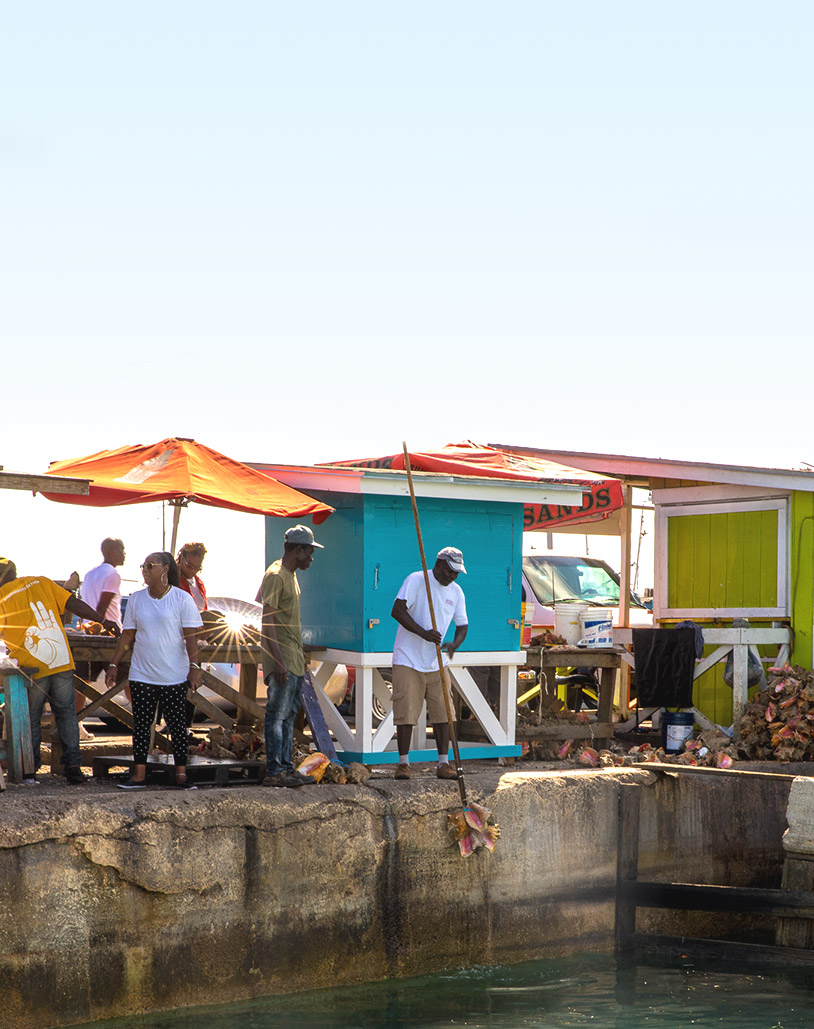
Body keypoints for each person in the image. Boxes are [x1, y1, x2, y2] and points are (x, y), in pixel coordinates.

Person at [0, 556, 120, 784]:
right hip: (61, 661)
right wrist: (102, 621)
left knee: (32, 717)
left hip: (32, 666)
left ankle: (30, 769)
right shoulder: (42, 582)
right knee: (66, 714)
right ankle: (73, 767)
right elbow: (73, 605)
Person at [105, 551, 203, 790]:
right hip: (142, 674)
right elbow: (128, 634)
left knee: (177, 726)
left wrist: (194, 667)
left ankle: (181, 776)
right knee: (142, 725)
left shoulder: (182, 599)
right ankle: (138, 776)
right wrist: (114, 664)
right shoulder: (137, 599)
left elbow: (191, 637)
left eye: (150, 565)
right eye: (143, 565)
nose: (145, 569)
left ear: (165, 570)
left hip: (174, 675)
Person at [390, 546, 469, 781]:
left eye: (456, 573)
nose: (452, 576)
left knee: (444, 713)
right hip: (408, 658)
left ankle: (443, 764)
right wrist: (424, 633)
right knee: (406, 714)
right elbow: (397, 610)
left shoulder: (456, 592)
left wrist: (454, 643)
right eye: (450, 571)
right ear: (440, 564)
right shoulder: (416, 580)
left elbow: (463, 625)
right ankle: (403, 763)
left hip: (437, 661)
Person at [258, 524, 322, 788]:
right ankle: (274, 770)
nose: (311, 557)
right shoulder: (276, 575)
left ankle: (285, 767)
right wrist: (279, 661)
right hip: (282, 658)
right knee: (277, 714)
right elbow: (267, 621)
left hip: (293, 658)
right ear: (297, 550)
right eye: (309, 551)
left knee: (288, 714)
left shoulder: (289, 575)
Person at [81, 538, 126, 627]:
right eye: (122, 550)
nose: (124, 554)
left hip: (87, 628)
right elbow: (101, 608)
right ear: (115, 552)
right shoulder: (113, 574)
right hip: (106, 631)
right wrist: (99, 628)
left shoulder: (89, 574)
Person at [176, 542, 208, 612]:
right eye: (189, 566)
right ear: (181, 559)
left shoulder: (199, 584)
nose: (193, 570)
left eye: (197, 567)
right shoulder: (171, 580)